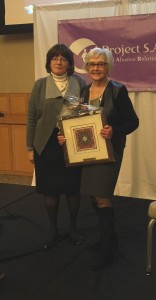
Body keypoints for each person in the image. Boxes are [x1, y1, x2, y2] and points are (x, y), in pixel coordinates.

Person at [59, 47, 139, 269]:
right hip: (88, 152)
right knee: (94, 196)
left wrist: (114, 130)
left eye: (101, 64)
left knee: (102, 197)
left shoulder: (118, 91)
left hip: (110, 152)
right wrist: (65, 136)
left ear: (108, 67)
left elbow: (133, 122)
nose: (96, 68)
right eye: (92, 64)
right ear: (86, 68)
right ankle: (111, 240)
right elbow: (77, 121)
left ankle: (107, 252)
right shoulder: (84, 91)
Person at [26, 44, 86, 249]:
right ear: (49, 62)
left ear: (70, 63)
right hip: (45, 144)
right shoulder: (40, 85)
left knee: (73, 189)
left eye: (63, 58)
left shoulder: (79, 82)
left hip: (72, 144)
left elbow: (86, 114)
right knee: (50, 191)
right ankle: (53, 230)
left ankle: (73, 228)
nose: (59, 61)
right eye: (55, 58)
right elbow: (32, 118)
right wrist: (29, 148)